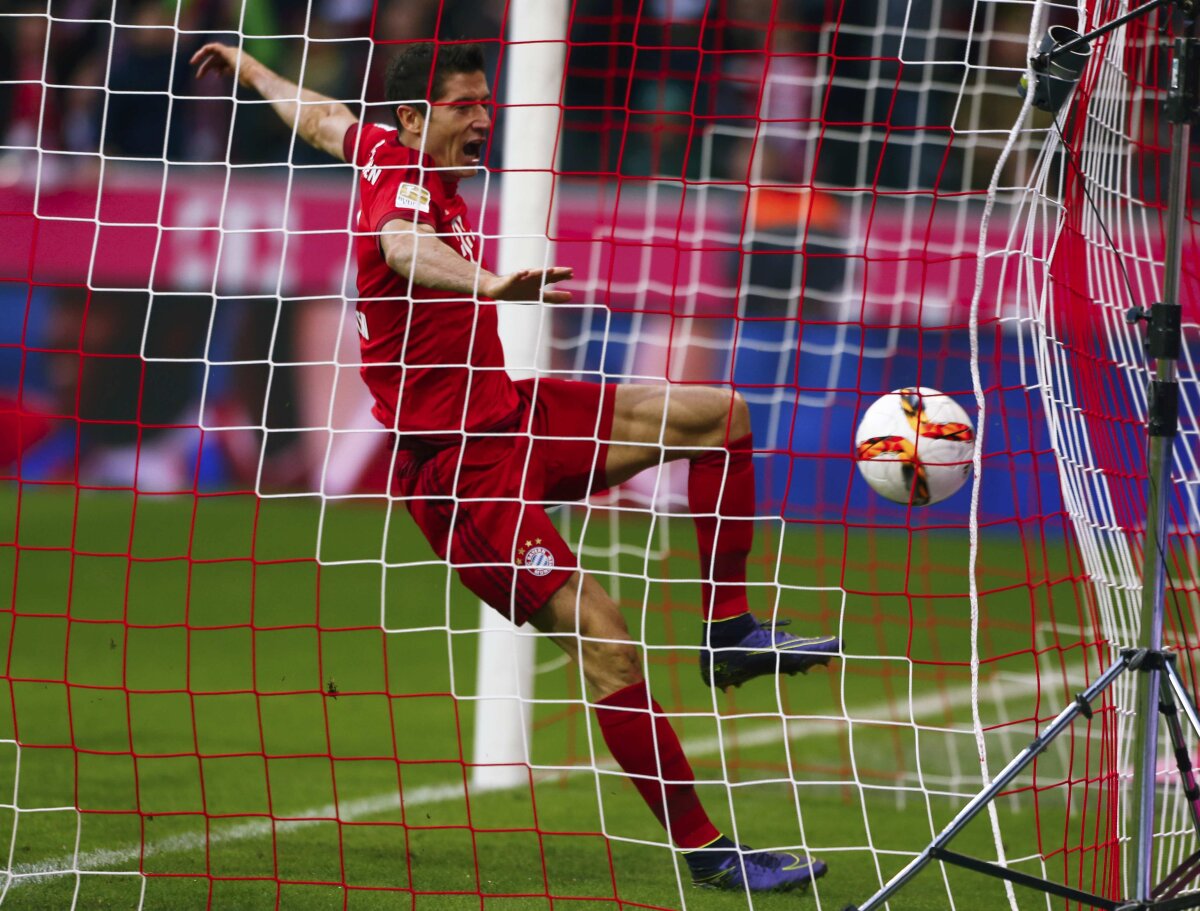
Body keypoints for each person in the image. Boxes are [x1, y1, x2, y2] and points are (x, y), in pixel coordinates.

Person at [192, 38, 839, 892]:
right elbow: (400, 250)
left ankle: (728, 633)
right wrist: (492, 286)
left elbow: (319, 118)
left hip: (511, 415)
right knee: (608, 643)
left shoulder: (382, 146)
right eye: (467, 106)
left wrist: (249, 68)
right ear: (420, 116)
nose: (484, 121)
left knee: (721, 417)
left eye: (486, 104)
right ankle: (710, 849)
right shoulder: (403, 193)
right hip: (460, 477)